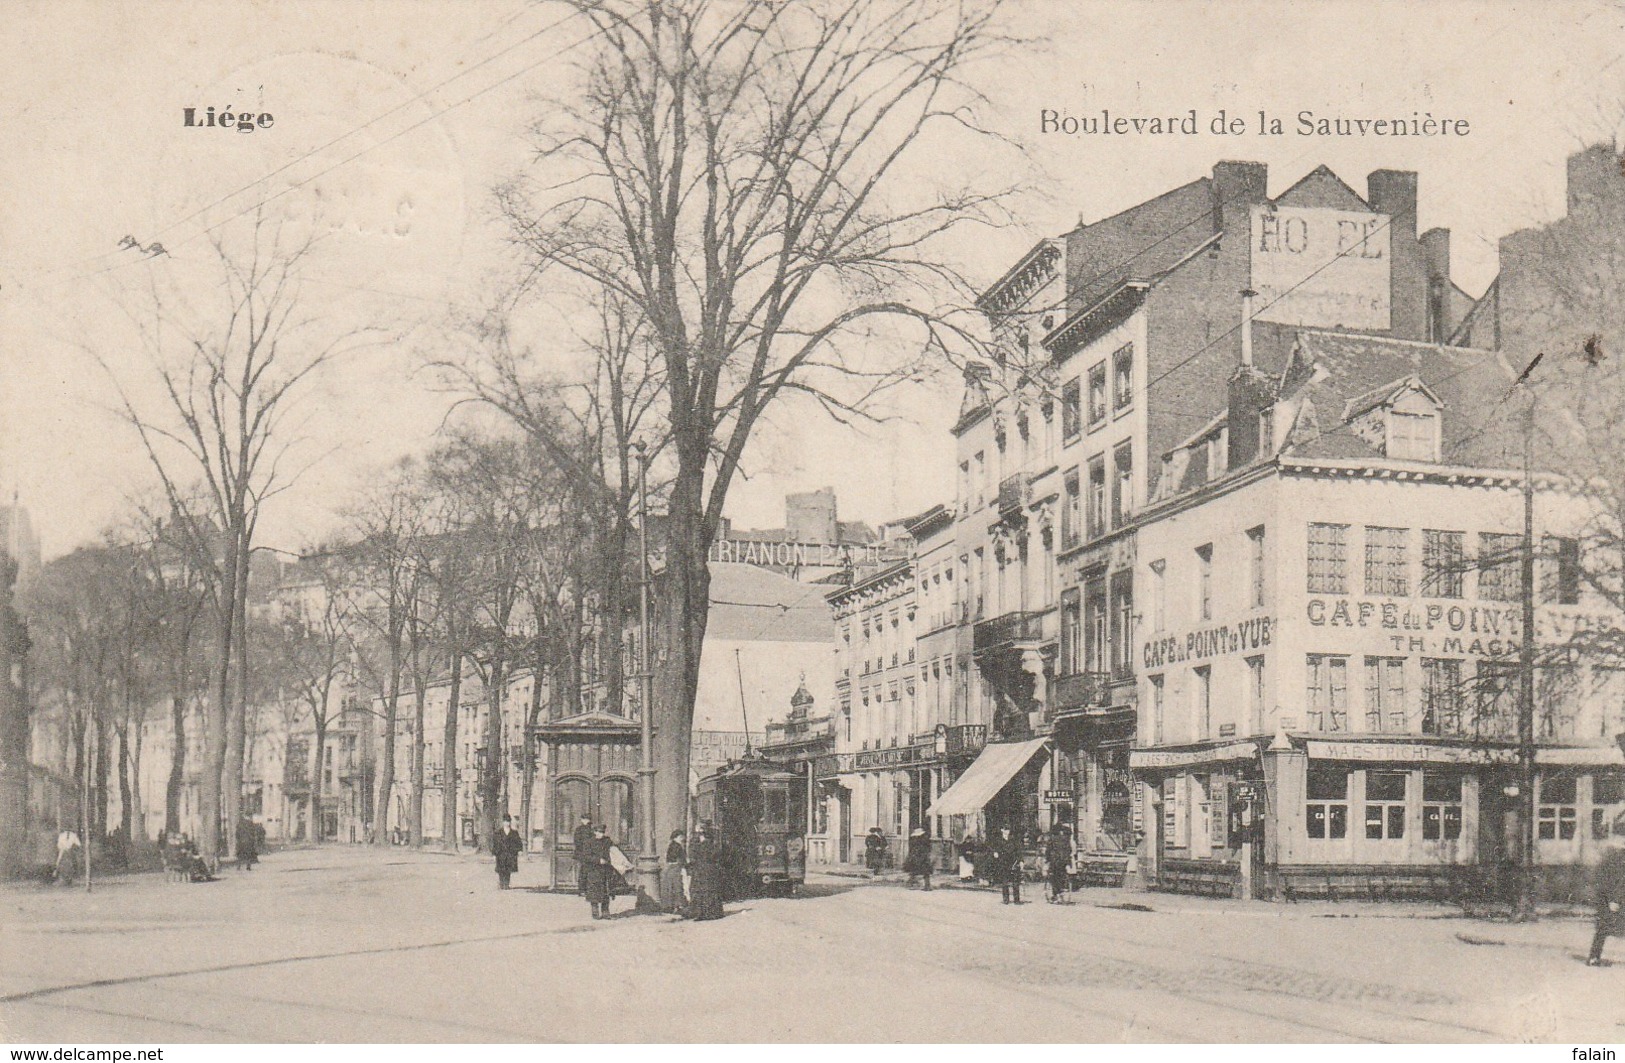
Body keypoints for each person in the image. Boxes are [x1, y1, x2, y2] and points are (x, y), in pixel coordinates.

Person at [1587, 838, 1625, 966]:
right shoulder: (1618, 860)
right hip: (1613, 901)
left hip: (1618, 900)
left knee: (1605, 928)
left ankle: (1594, 957)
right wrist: (1613, 900)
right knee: (1604, 928)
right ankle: (1593, 957)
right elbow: (1613, 882)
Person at [687, 822, 725, 921]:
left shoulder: (707, 844)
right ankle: (705, 912)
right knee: (703, 890)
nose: (698, 836)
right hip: (704, 870)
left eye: (699, 834)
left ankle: (706, 913)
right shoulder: (706, 844)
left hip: (705, 870)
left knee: (704, 890)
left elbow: (707, 856)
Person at [580, 824, 615, 919]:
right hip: (593, 870)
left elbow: (614, 851)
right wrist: (598, 860)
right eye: (599, 832)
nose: (601, 834)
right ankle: (595, 912)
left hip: (605, 870)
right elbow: (586, 856)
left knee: (606, 891)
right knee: (594, 892)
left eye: (602, 832)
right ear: (595, 832)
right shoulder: (589, 842)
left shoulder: (607, 841)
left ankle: (605, 912)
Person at [989, 825, 1023, 905]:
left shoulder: (1013, 840)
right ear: (1002, 830)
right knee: (1005, 882)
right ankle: (1006, 899)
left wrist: (1021, 861)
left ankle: (1017, 900)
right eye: (1005, 829)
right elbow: (992, 849)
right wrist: (995, 853)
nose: (1007, 831)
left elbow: (1018, 851)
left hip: (1014, 863)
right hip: (1003, 863)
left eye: (1008, 830)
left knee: (1015, 882)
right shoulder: (998, 841)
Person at [661, 829, 689, 914]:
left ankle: (669, 906)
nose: (682, 838)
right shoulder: (678, 846)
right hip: (676, 868)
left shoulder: (671, 845)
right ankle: (678, 906)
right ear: (677, 837)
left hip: (670, 868)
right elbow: (680, 858)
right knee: (678, 886)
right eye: (681, 837)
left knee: (670, 887)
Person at [1044, 824, 1073, 904]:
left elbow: (1048, 851)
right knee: (1061, 877)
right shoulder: (1066, 840)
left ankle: (1056, 894)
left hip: (1054, 861)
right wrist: (1068, 863)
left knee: (1053, 878)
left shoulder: (1052, 839)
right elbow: (1069, 851)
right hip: (1063, 862)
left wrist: (1047, 860)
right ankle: (1060, 894)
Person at [494, 814, 523, 890]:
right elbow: (495, 843)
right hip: (501, 854)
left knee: (508, 869)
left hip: (510, 854)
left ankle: (506, 884)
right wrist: (494, 853)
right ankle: (501, 884)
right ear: (503, 822)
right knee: (501, 869)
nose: (508, 823)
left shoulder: (514, 833)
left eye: (509, 821)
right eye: (506, 821)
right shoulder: (498, 832)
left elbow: (518, 842)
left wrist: (519, 850)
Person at [903, 826, 933, 891]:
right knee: (924, 871)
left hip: (917, 856)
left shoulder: (915, 839)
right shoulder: (925, 839)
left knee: (914, 870)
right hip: (922, 856)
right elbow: (929, 848)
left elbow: (913, 848)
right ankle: (926, 885)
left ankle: (913, 884)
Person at [573, 814, 595, 896]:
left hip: (589, 854)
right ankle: (582, 890)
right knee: (583, 871)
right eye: (585, 819)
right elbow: (577, 842)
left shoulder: (592, 830)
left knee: (588, 871)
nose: (586, 821)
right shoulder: (579, 830)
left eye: (588, 819)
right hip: (582, 854)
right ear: (582, 820)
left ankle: (586, 889)